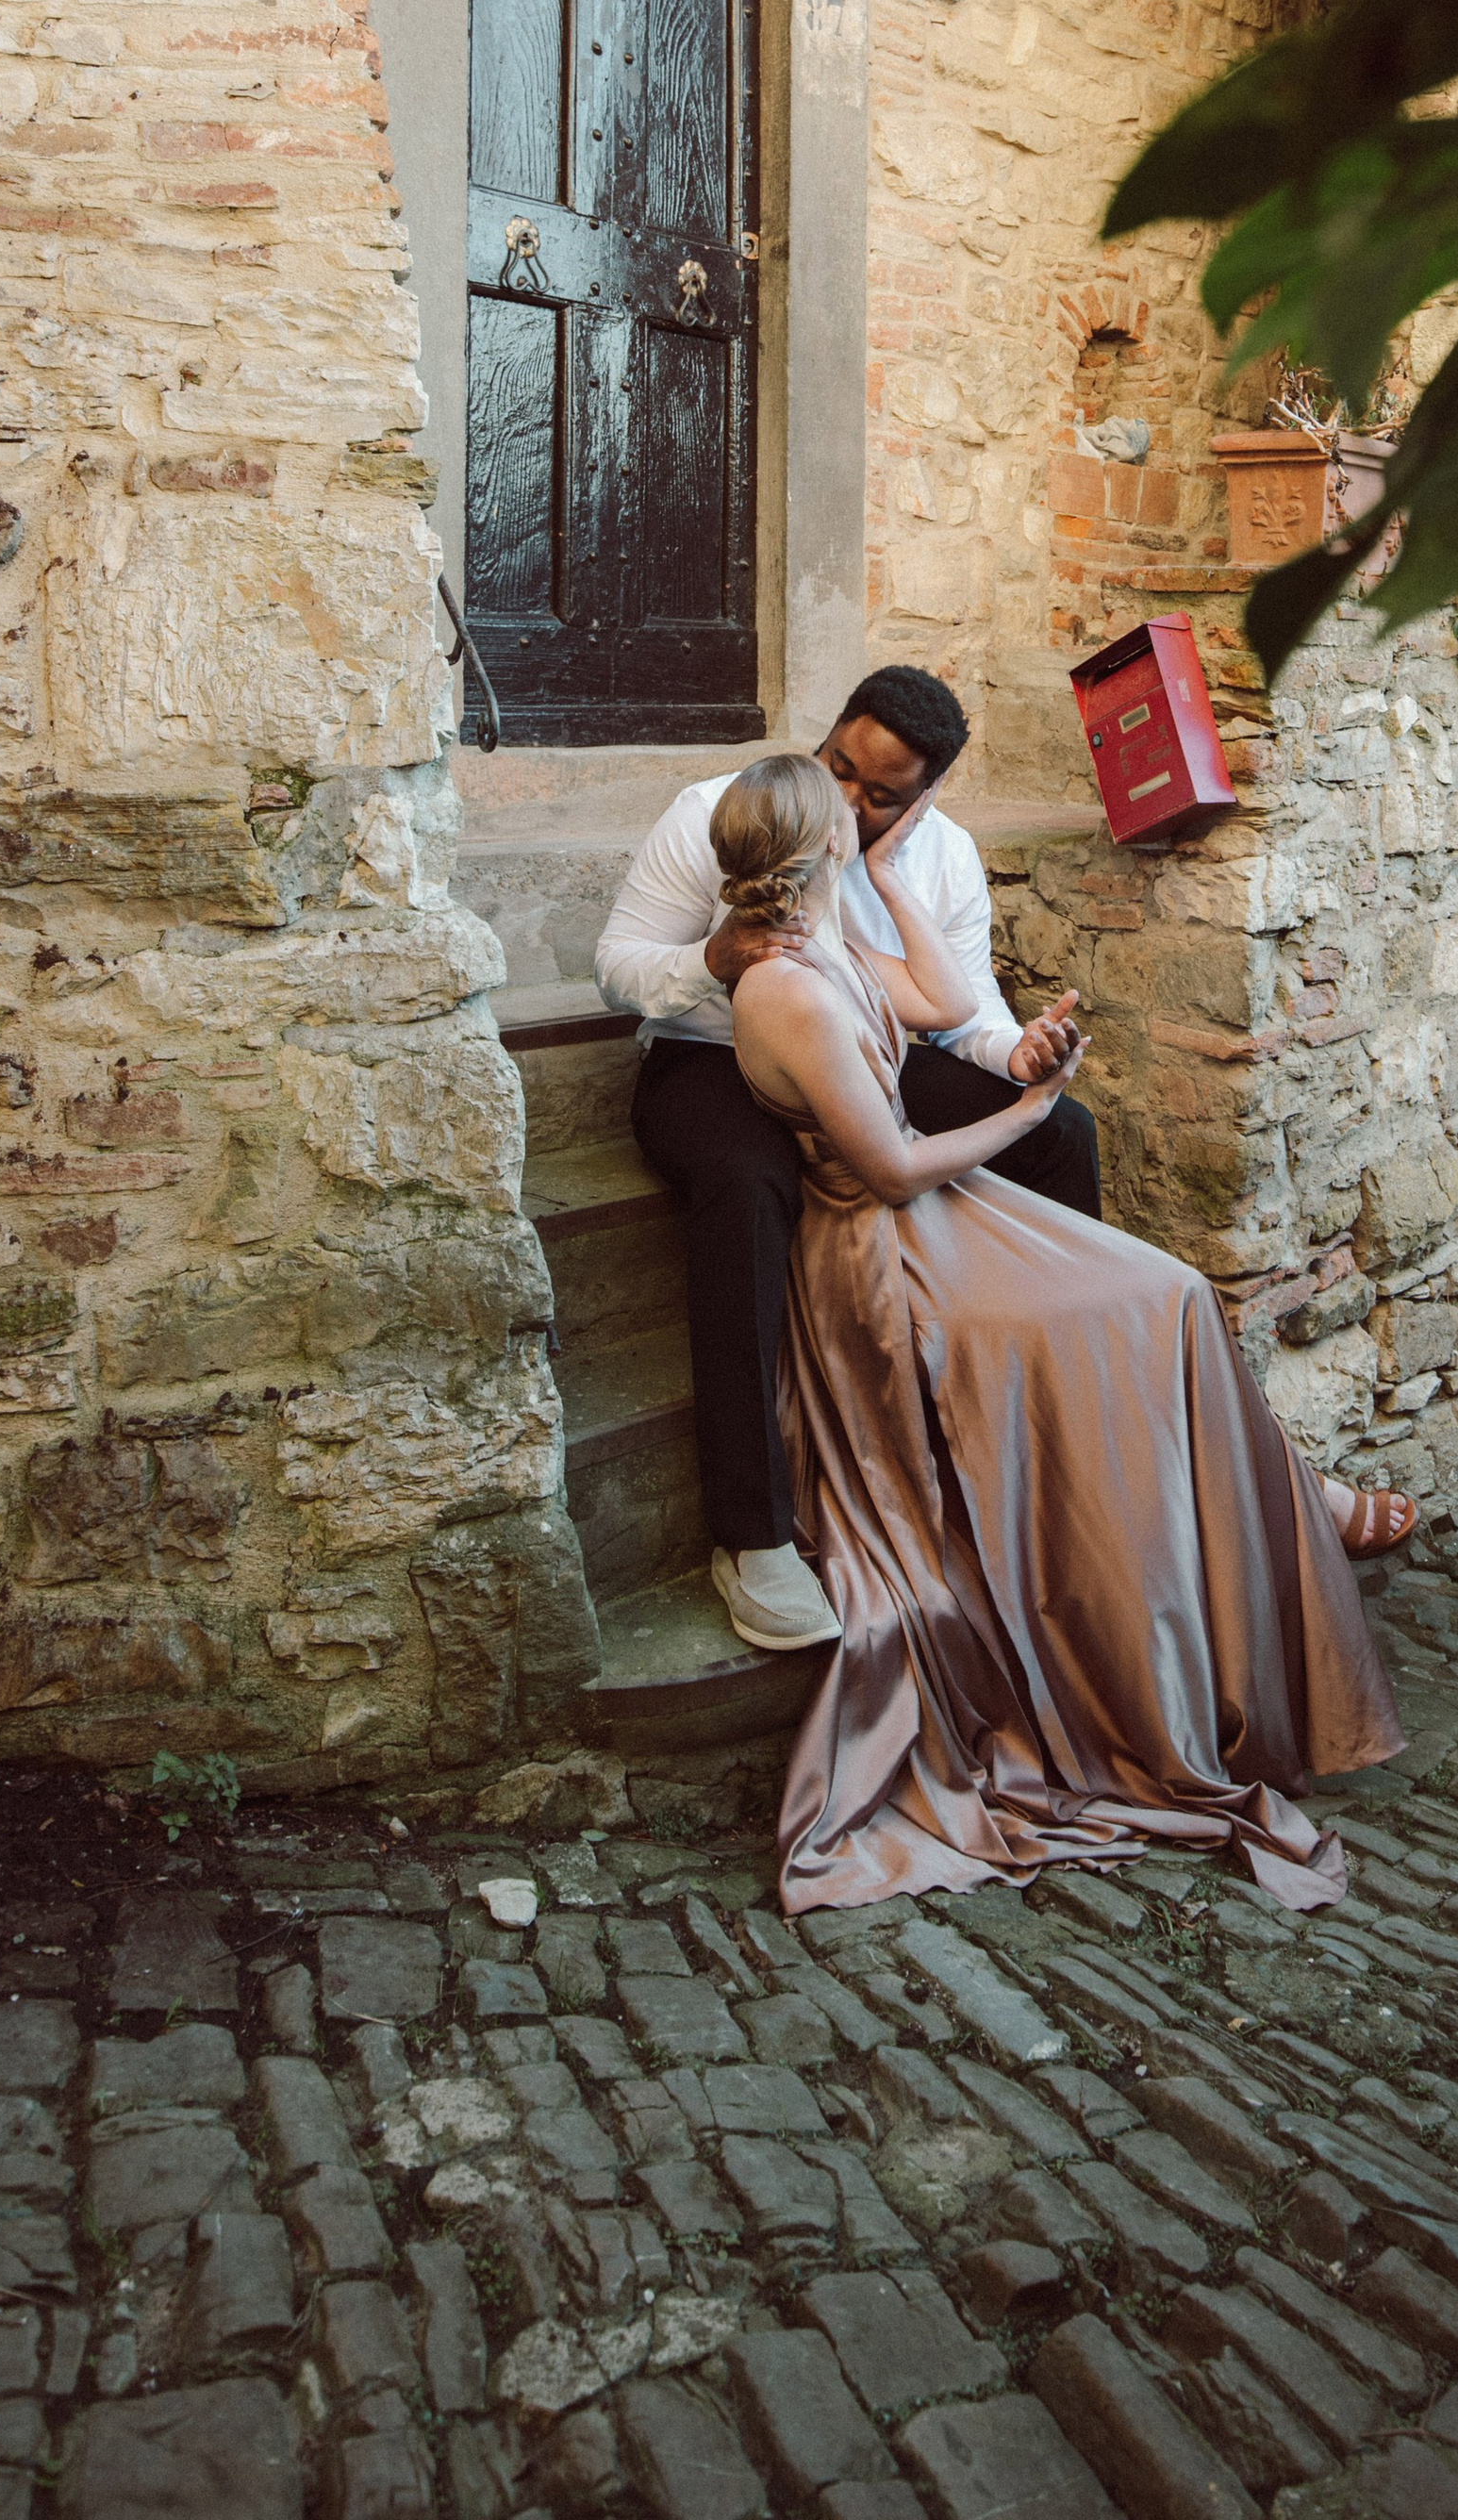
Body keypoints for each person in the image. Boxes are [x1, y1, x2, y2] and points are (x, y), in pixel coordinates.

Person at [709, 747, 1407, 1908]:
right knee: (1133, 1312)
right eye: (847, 810)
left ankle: (1275, 1513)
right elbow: (883, 1170)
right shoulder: (780, 984)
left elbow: (943, 1001)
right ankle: (1242, 1537)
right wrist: (1029, 1110)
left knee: (1171, 1292)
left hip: (941, 1212)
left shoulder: (827, 941)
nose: (863, 810)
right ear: (810, 839)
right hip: (885, 1256)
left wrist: (883, 876)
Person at [596, 666, 1097, 1654]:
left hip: (865, 1054)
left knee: (1061, 1131)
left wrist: (1017, 1058)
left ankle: (1050, 1415)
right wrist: (714, 959)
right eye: (840, 770)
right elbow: (617, 965)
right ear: (824, 744)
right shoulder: (718, 812)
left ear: (926, 794)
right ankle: (753, 1538)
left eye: (883, 794)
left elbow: (964, 1012)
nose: (850, 802)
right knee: (746, 1186)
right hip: (706, 1054)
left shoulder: (940, 860)